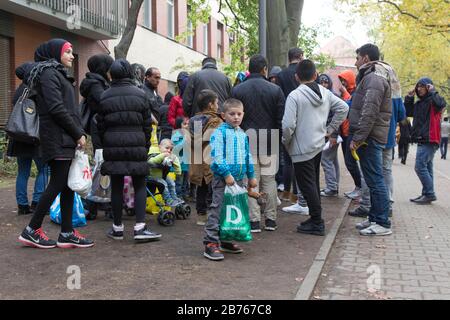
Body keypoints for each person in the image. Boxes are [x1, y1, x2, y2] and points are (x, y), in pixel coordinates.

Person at [18, 39, 94, 249]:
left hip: (65, 138)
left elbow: (66, 109)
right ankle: (32, 230)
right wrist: (78, 133)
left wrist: (77, 134)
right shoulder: (48, 74)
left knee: (67, 184)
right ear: (54, 53)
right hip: (57, 138)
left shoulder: (55, 73)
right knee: (58, 183)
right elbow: (56, 108)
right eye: (68, 52)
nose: (71, 55)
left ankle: (67, 233)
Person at [97, 58, 161, 242]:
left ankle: (117, 228)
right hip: (137, 144)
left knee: (116, 186)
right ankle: (140, 228)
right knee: (140, 184)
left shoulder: (105, 95)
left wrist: (106, 143)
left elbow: (100, 125)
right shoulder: (140, 94)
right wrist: (145, 145)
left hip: (113, 145)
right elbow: (147, 124)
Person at [282, 59, 348, 236]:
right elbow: (343, 107)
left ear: (297, 77)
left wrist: (285, 140)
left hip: (301, 147)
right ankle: (315, 218)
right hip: (318, 144)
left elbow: (288, 124)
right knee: (312, 183)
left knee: (307, 185)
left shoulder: (295, 96)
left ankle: (317, 222)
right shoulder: (325, 92)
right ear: (316, 75)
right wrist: (330, 129)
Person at [232, 54, 285, 232]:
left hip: (247, 141)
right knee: (269, 181)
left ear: (249, 68)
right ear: (265, 69)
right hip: (270, 140)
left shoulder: (238, 90)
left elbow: (233, 118)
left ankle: (254, 221)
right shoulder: (275, 90)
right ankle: (270, 219)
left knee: (250, 180)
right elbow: (280, 119)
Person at [203, 98, 257, 261]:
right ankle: (211, 243)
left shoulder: (241, 133)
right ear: (223, 115)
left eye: (239, 114)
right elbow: (217, 156)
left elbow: (247, 155)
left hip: (239, 179)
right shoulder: (219, 133)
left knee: (231, 210)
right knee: (218, 209)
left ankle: (225, 239)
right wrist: (226, 174)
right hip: (222, 179)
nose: (236, 117)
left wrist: (252, 175)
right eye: (232, 114)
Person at [349, 43, 393, 236]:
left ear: (365, 58)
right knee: (373, 179)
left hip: (370, 138)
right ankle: (375, 217)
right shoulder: (372, 76)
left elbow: (369, 111)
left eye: (357, 58)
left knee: (375, 180)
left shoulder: (374, 78)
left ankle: (382, 222)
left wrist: (358, 137)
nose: (356, 62)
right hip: (370, 137)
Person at [7, 62, 49, 216]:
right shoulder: (37, 89)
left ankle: (22, 205)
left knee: (22, 171)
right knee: (44, 169)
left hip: (19, 136)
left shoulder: (20, 90)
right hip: (34, 136)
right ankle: (37, 202)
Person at [405, 77, 447, 204]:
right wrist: (409, 97)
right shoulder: (420, 103)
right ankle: (427, 194)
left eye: (422, 86)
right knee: (427, 167)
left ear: (428, 87)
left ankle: (429, 193)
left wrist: (433, 91)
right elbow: (408, 112)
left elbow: (441, 104)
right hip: (422, 139)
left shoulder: (434, 101)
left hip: (430, 138)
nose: (419, 89)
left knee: (419, 167)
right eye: (418, 86)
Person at [277, 48, 308, 213]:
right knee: (300, 160)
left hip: (286, 118)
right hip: (303, 120)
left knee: (288, 160)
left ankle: (287, 192)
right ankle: (298, 195)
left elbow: (280, 98)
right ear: (300, 57)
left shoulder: (281, 75)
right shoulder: (305, 72)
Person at [188, 89, 223, 226]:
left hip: (198, 159)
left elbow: (196, 141)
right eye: (216, 103)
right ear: (210, 105)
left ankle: (201, 216)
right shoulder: (216, 120)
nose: (218, 106)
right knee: (216, 187)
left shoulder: (193, 120)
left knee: (201, 186)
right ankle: (215, 214)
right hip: (211, 158)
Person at [79, 53, 114, 151]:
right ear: (103, 67)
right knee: (102, 157)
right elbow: (105, 102)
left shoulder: (101, 82)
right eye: (109, 67)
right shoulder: (95, 84)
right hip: (99, 127)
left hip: (103, 125)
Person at [337, 69, 362, 200]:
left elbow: (349, 107)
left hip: (351, 132)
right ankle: (358, 187)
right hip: (345, 132)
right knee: (348, 162)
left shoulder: (354, 92)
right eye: (341, 81)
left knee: (351, 162)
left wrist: (345, 93)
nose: (343, 83)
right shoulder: (348, 93)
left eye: (344, 80)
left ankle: (360, 187)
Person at [317, 74, 341, 197]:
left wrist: (333, 135)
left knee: (326, 159)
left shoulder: (332, 97)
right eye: (321, 82)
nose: (324, 84)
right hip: (329, 134)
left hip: (331, 135)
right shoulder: (323, 96)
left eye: (326, 82)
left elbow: (337, 117)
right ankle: (334, 185)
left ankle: (331, 187)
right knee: (333, 160)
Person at [148, 139, 183, 206]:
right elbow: (150, 162)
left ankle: (174, 197)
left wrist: (176, 168)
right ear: (159, 147)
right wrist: (162, 156)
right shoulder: (154, 154)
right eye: (167, 148)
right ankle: (168, 200)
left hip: (162, 174)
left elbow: (174, 164)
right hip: (152, 175)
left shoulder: (169, 156)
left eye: (171, 149)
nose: (169, 151)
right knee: (163, 184)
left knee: (171, 183)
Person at [172, 117, 190, 201]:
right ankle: (178, 197)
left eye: (188, 124)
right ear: (179, 125)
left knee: (185, 182)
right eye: (184, 124)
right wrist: (184, 140)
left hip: (186, 163)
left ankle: (184, 195)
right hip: (179, 163)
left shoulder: (188, 134)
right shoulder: (176, 135)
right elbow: (176, 148)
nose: (187, 126)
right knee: (179, 182)